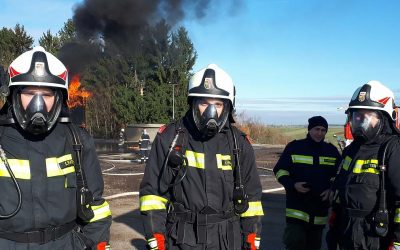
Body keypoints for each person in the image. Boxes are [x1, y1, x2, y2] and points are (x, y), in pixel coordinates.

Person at [139, 64, 264, 250]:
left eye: (218, 104)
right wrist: (156, 239)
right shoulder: (170, 137)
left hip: (227, 241)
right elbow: (153, 194)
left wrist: (252, 240)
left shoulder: (239, 143)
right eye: (205, 103)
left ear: (228, 106)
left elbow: (252, 199)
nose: (211, 112)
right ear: (193, 103)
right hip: (182, 239)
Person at [0, 46, 111, 249]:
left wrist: (87, 244)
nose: (38, 103)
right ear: (14, 95)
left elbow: (97, 209)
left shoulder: (77, 141)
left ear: (59, 98)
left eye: (47, 94)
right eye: (30, 93)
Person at [330, 80, 400, 250]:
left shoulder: (392, 149)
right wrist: (333, 227)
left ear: (384, 118)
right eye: (357, 116)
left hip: (376, 236)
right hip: (347, 232)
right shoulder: (351, 150)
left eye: (366, 117)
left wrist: (397, 242)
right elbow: (341, 188)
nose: (360, 122)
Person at [273, 115, 341, 250]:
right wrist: (292, 185)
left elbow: (340, 175)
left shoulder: (331, 151)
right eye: (317, 129)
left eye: (323, 130)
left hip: (319, 211)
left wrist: (331, 189)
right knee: (294, 243)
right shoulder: (295, 147)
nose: (319, 133)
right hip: (296, 208)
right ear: (309, 130)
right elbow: (280, 170)